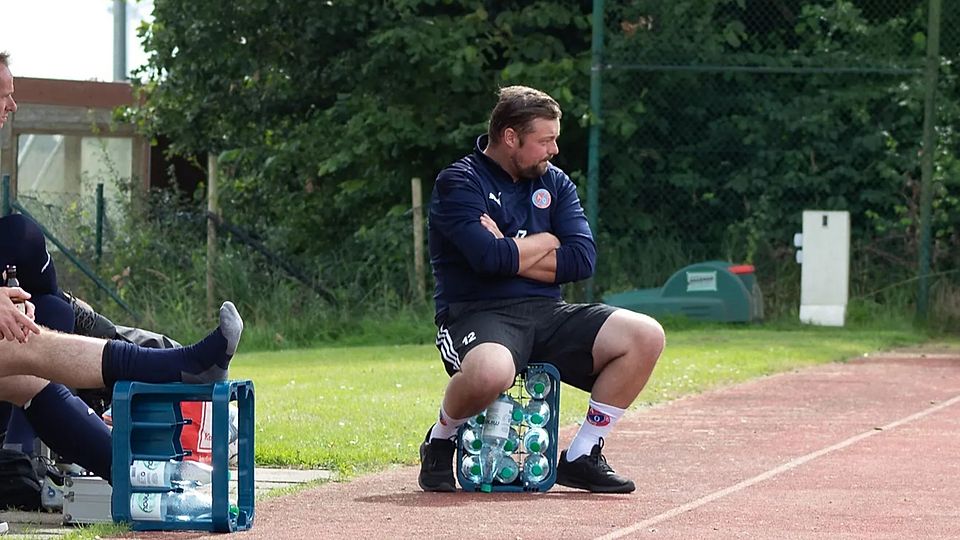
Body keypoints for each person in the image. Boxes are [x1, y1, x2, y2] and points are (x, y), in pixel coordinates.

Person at [419, 86, 665, 493]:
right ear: (510, 137)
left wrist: (510, 248)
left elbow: (582, 260)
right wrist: (548, 240)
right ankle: (441, 441)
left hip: (548, 312)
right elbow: (487, 261)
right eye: (545, 140)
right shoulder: (459, 181)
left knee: (645, 334)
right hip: (478, 314)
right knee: (491, 371)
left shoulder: (556, 183)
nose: (554, 149)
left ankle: (582, 454)